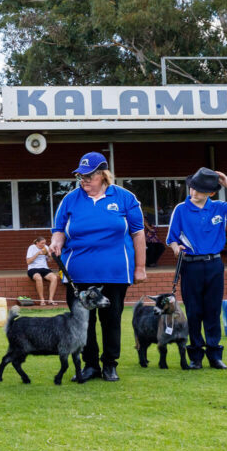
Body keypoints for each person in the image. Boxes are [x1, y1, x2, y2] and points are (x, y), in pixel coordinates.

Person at [50, 151, 145, 383]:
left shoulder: (125, 198)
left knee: (111, 319)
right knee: (83, 322)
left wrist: (140, 267)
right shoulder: (70, 200)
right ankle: (90, 365)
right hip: (78, 273)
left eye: (88, 176)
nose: (83, 180)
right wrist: (56, 242)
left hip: (114, 273)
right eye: (80, 176)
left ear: (103, 175)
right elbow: (59, 230)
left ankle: (110, 364)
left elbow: (138, 233)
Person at [167, 167, 227, 369]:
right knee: (194, 312)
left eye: (199, 190)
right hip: (191, 265)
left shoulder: (219, 207)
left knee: (213, 310)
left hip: (214, 264)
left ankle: (214, 354)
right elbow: (172, 239)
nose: (193, 193)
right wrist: (177, 249)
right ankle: (195, 356)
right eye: (192, 188)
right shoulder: (181, 209)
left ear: (211, 193)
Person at [26, 236, 58, 305]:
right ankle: (42, 300)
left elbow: (50, 260)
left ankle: (50, 300)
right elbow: (28, 262)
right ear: (37, 243)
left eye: (44, 243)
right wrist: (37, 253)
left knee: (54, 278)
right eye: (42, 243)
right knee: (39, 278)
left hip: (44, 268)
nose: (43, 245)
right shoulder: (32, 247)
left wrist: (49, 254)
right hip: (33, 268)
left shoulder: (46, 247)